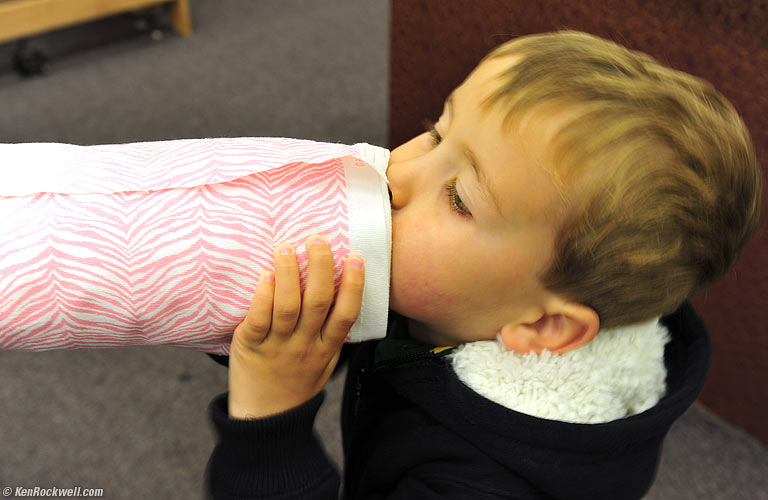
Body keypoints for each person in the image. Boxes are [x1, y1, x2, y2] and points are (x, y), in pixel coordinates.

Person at [203, 30, 763, 499]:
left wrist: (269, 420)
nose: (395, 173)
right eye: (436, 132)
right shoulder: (461, 295)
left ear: (544, 326)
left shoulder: (480, 485)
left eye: (459, 199)